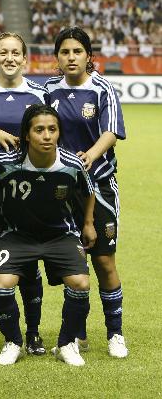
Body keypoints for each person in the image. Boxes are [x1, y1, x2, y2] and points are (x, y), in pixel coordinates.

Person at [0, 104, 96, 367]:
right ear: (27, 134)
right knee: (1, 284)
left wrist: (88, 223)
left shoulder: (72, 164)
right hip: (16, 235)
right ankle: (13, 342)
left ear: (59, 132)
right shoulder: (5, 162)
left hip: (60, 235)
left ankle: (66, 343)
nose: (47, 136)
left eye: (52, 129)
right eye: (39, 130)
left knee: (81, 284)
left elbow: (89, 192)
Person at [45, 27, 128, 358]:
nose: (71, 57)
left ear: (88, 56)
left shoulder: (102, 88)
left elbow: (112, 131)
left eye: (77, 51)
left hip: (101, 185)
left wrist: (91, 155)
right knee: (74, 263)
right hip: (63, 190)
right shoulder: (49, 91)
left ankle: (115, 333)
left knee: (104, 261)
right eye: (65, 52)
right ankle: (77, 334)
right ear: (57, 57)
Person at [0, 32, 50, 355]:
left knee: (28, 264)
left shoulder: (39, 94)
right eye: (3, 52)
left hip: (28, 191)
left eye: (16, 52)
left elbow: (50, 133)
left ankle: (33, 333)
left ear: (25, 58)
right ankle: (6, 333)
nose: (10, 58)